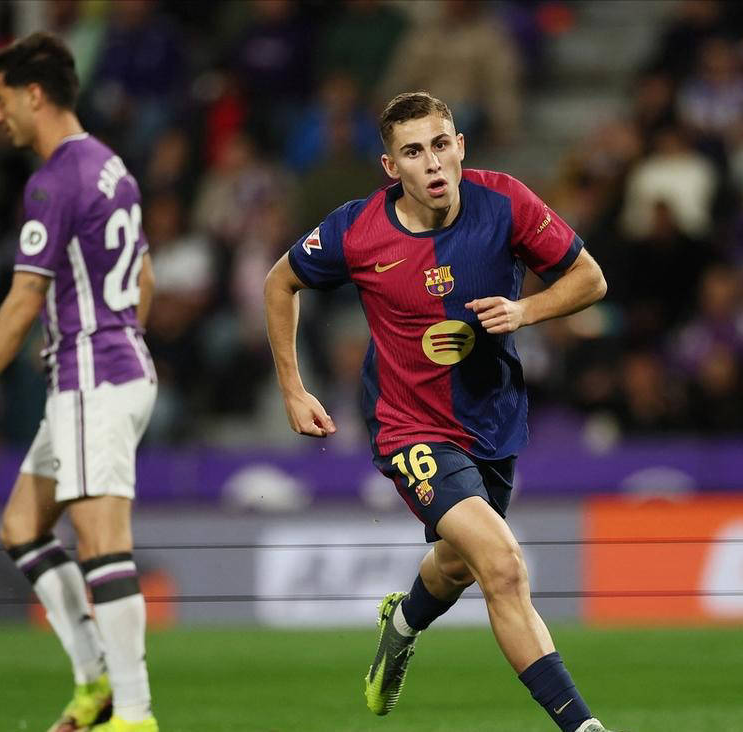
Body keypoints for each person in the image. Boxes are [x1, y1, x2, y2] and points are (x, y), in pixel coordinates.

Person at [263, 92, 614, 732]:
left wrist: (525, 310)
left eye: (440, 144)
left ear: (460, 147)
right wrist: (293, 388)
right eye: (413, 151)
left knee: (458, 563)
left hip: (491, 419)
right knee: (502, 565)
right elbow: (279, 282)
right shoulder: (356, 230)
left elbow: (590, 279)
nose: (431, 162)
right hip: (409, 426)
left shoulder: (505, 202)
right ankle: (583, 726)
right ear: (390, 166)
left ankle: (401, 624)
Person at [0, 32, 159, 732]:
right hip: (111, 368)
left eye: (1, 101)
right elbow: (144, 277)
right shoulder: (112, 166)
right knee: (22, 528)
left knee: (102, 542)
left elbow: (24, 297)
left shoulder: (55, 179)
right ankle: (96, 683)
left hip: (93, 377)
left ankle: (134, 714)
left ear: (34, 95)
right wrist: (122, 341)